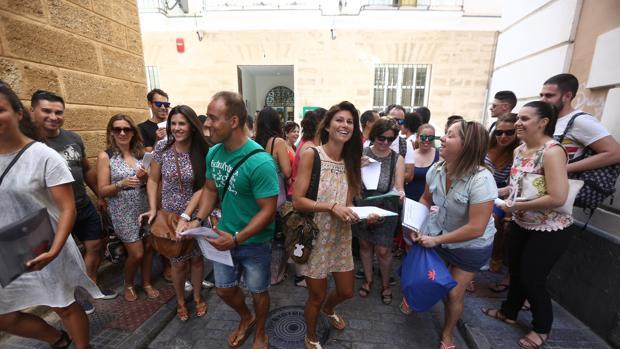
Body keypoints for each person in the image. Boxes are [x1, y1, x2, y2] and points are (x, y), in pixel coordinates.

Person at [0, 81, 102, 349]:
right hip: (5, 248)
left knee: (64, 305)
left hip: (44, 243)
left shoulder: (44, 156)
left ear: (18, 113)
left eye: (0, 110)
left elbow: (68, 207)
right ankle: (57, 340)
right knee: (4, 316)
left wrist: (55, 249)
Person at [179, 91, 279, 349]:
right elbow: (211, 190)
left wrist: (237, 239)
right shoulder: (214, 153)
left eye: (213, 118)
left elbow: (268, 210)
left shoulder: (260, 162)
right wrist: (197, 219)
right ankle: (246, 317)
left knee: (258, 291)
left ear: (233, 121)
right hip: (221, 237)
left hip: (254, 241)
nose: (206, 124)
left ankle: (260, 332)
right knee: (224, 289)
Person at [484, 101, 572, 349]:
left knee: (533, 279)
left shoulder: (552, 151)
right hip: (522, 222)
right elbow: (519, 186)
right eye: (518, 118)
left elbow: (557, 197)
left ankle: (542, 328)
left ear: (543, 122)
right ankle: (509, 313)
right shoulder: (519, 150)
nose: (517, 123)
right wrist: (497, 191)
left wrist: (515, 207)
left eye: (524, 119)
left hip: (550, 228)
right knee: (515, 272)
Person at [30, 90, 116, 313]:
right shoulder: (28, 143)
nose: (53, 116)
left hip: (82, 205)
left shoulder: (73, 138)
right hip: (51, 213)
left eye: (58, 112)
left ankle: (90, 286)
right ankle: (75, 296)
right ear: (32, 111)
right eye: (46, 111)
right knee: (64, 258)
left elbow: (86, 170)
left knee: (95, 246)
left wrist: (99, 195)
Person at [414, 120, 497, 349]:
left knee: (453, 293)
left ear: (467, 145)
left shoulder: (482, 179)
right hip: (439, 233)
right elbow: (425, 199)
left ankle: (447, 334)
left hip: (471, 245)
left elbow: (476, 228)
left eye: (449, 135)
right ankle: (415, 297)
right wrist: (417, 226)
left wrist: (436, 240)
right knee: (429, 276)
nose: (441, 138)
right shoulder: (437, 169)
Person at [293, 101, 363, 349]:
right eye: (340, 120)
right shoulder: (312, 154)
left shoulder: (352, 159)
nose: (345, 125)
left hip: (341, 235)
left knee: (346, 291)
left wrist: (363, 215)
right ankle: (311, 336)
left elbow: (348, 202)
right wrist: (331, 207)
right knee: (316, 295)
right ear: (328, 125)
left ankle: (329, 308)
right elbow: (298, 200)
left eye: (350, 122)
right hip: (315, 236)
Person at [139, 105, 209, 322]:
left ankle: (197, 297)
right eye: (173, 123)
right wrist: (152, 208)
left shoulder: (203, 149)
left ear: (192, 126)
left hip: (196, 215)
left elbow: (204, 187)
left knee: (197, 260)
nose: (177, 128)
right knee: (177, 262)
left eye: (182, 123)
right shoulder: (162, 147)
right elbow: (152, 179)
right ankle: (180, 302)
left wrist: (190, 217)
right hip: (170, 216)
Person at [96, 114, 160, 302]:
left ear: (133, 131)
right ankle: (129, 284)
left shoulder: (141, 154)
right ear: (111, 133)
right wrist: (121, 183)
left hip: (144, 207)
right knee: (136, 253)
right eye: (117, 129)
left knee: (149, 249)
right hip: (122, 212)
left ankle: (147, 283)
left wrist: (145, 177)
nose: (122, 133)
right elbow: (101, 190)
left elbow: (151, 181)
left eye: (127, 129)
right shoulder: (105, 156)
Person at [353, 118, 405, 305]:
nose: (385, 143)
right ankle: (368, 280)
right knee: (365, 246)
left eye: (390, 139)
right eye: (381, 138)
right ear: (374, 136)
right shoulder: (361, 154)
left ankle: (385, 285)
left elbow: (399, 187)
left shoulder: (396, 158)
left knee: (383, 250)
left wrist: (401, 193)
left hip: (386, 208)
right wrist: (357, 167)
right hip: (363, 205)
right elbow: (350, 182)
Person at [540, 73, 620, 173]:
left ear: (567, 96)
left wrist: (562, 169)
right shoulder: (549, 119)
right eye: (541, 95)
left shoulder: (580, 120)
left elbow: (615, 153)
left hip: (570, 185)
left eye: (549, 96)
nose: (542, 100)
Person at [254, 107, 293, 285]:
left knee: (262, 235)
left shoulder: (254, 141)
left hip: (256, 196)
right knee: (278, 237)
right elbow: (286, 171)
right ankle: (276, 274)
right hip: (276, 196)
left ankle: (261, 271)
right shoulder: (277, 142)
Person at [485, 114, 519, 280]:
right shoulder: (484, 148)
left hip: (501, 196)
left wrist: (508, 214)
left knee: (495, 220)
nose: (503, 137)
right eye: (499, 132)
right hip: (479, 191)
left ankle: (495, 255)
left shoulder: (517, 154)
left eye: (509, 132)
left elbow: (514, 186)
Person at [405, 123, 440, 201]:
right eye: (423, 137)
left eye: (430, 137)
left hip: (430, 202)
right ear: (417, 138)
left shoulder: (440, 156)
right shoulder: (409, 155)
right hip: (409, 200)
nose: (427, 140)